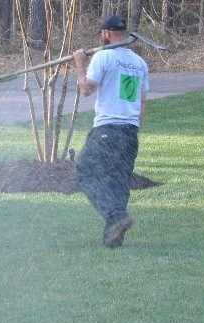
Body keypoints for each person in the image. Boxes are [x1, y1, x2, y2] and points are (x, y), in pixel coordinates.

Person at [72, 14, 150, 248]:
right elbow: (141, 101)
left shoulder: (103, 56)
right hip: (129, 131)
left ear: (105, 33)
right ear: (123, 33)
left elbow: (86, 89)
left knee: (85, 172)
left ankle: (117, 217)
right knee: (118, 182)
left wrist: (79, 63)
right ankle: (113, 239)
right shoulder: (139, 63)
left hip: (108, 128)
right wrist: (134, 130)